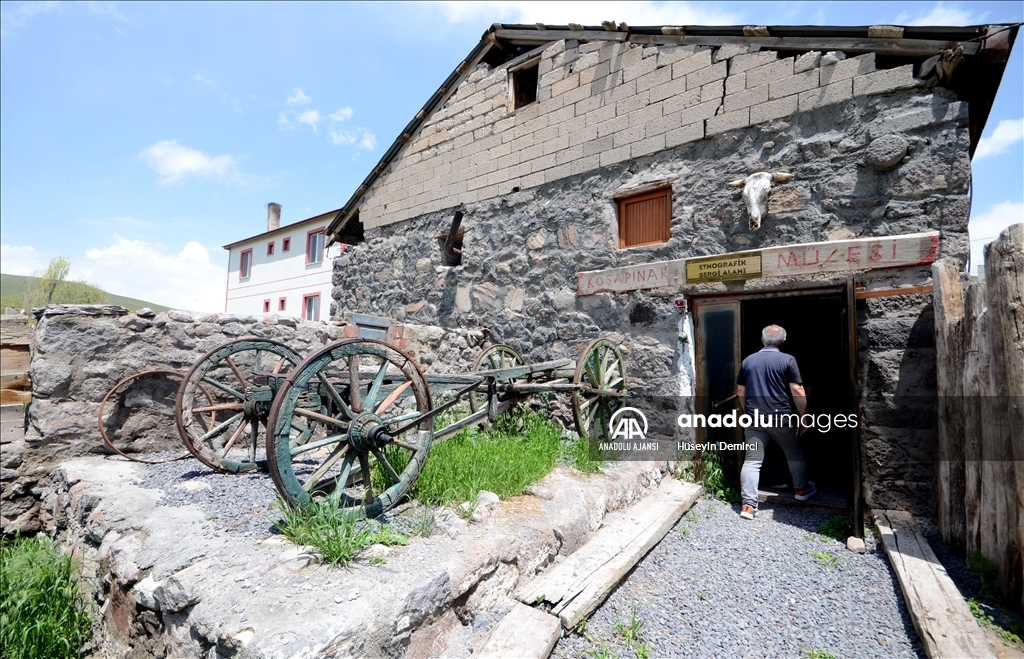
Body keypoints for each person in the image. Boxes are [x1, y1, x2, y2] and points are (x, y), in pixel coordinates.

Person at [735, 324, 815, 519]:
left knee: (752, 461)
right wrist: (804, 416)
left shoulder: (748, 361)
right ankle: (801, 491)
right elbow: (797, 390)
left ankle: (748, 506)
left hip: (754, 419)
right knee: (793, 454)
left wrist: (747, 412)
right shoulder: (788, 359)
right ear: (783, 341)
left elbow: (740, 391)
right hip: (780, 418)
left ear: (762, 340)